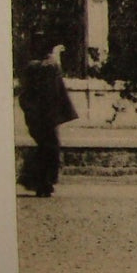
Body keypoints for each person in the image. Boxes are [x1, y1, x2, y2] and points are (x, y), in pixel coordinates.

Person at [16, 36, 79, 197]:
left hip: (37, 116)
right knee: (49, 148)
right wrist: (56, 57)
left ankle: (38, 182)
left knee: (45, 147)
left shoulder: (31, 69)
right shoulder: (46, 68)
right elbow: (53, 84)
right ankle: (42, 183)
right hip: (46, 116)